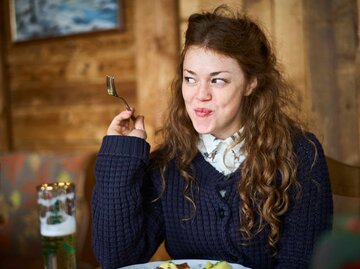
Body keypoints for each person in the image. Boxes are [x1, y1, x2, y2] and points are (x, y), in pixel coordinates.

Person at [91, 6, 333, 269]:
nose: (200, 95)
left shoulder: (300, 153)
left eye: (218, 80)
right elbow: (115, 259)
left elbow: (302, 263)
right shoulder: (169, 163)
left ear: (251, 83)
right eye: (190, 78)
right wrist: (122, 153)